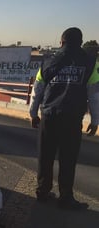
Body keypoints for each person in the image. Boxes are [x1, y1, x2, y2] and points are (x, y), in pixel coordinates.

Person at [29, 27, 99, 209]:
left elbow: (37, 91)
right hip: (72, 118)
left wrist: (33, 113)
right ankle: (66, 197)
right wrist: (95, 120)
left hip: (49, 115)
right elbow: (93, 95)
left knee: (46, 156)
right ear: (81, 42)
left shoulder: (48, 60)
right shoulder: (91, 62)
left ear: (61, 42)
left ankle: (43, 191)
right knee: (68, 158)